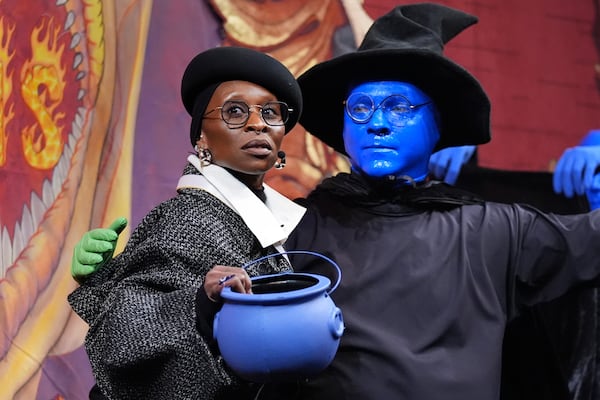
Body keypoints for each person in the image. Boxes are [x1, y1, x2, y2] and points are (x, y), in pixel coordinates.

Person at [72, 3, 600, 399]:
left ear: (438, 126)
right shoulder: (293, 230)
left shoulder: (499, 230)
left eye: (398, 105)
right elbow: (170, 316)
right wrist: (112, 282)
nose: (376, 121)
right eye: (361, 107)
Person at [68, 46, 305, 400]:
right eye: (235, 111)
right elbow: (121, 335)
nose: (258, 123)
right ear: (201, 138)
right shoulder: (187, 218)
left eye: (270, 113)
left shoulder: (273, 224)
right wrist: (202, 301)